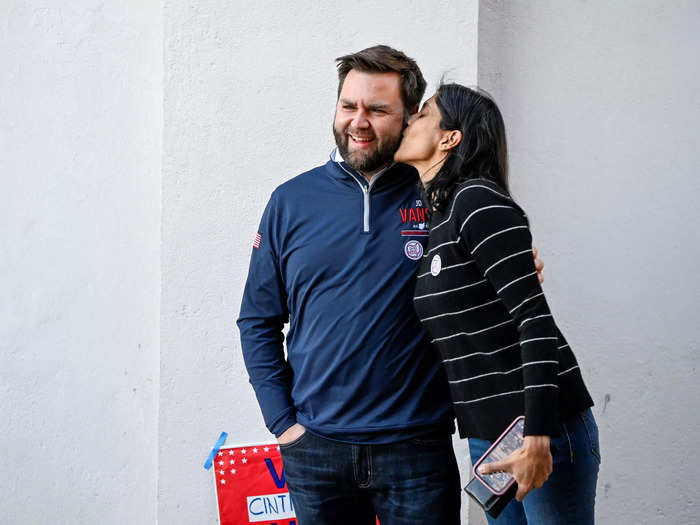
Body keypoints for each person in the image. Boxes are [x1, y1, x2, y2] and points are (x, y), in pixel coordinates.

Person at [237, 46, 543, 524]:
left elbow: (491, 280)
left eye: (378, 110)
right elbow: (258, 319)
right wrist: (282, 423)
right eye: (348, 106)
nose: (358, 121)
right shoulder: (289, 201)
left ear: (408, 119)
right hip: (316, 450)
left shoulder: (439, 196)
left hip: (417, 449)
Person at [395, 83, 600, 524]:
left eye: (424, 113)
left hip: (542, 429)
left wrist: (539, 436)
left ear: (449, 137)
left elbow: (535, 320)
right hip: (490, 437)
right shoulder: (440, 218)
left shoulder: (476, 201)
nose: (410, 120)